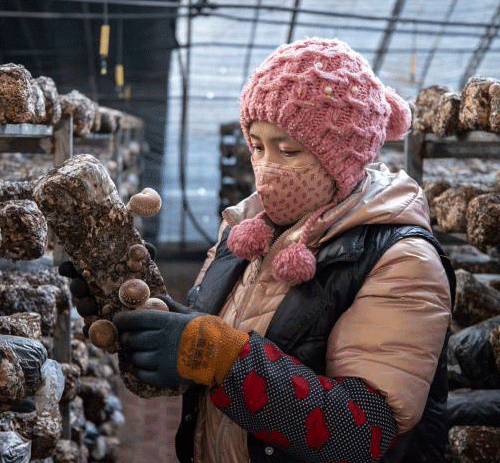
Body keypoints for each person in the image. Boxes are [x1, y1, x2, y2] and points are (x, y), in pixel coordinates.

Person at [67, 37, 454, 463]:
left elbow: (363, 432)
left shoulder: (401, 260)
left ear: (344, 156)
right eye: (256, 144)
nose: (267, 164)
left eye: (288, 149)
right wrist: (154, 323)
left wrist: (217, 356)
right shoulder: (245, 227)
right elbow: (212, 344)